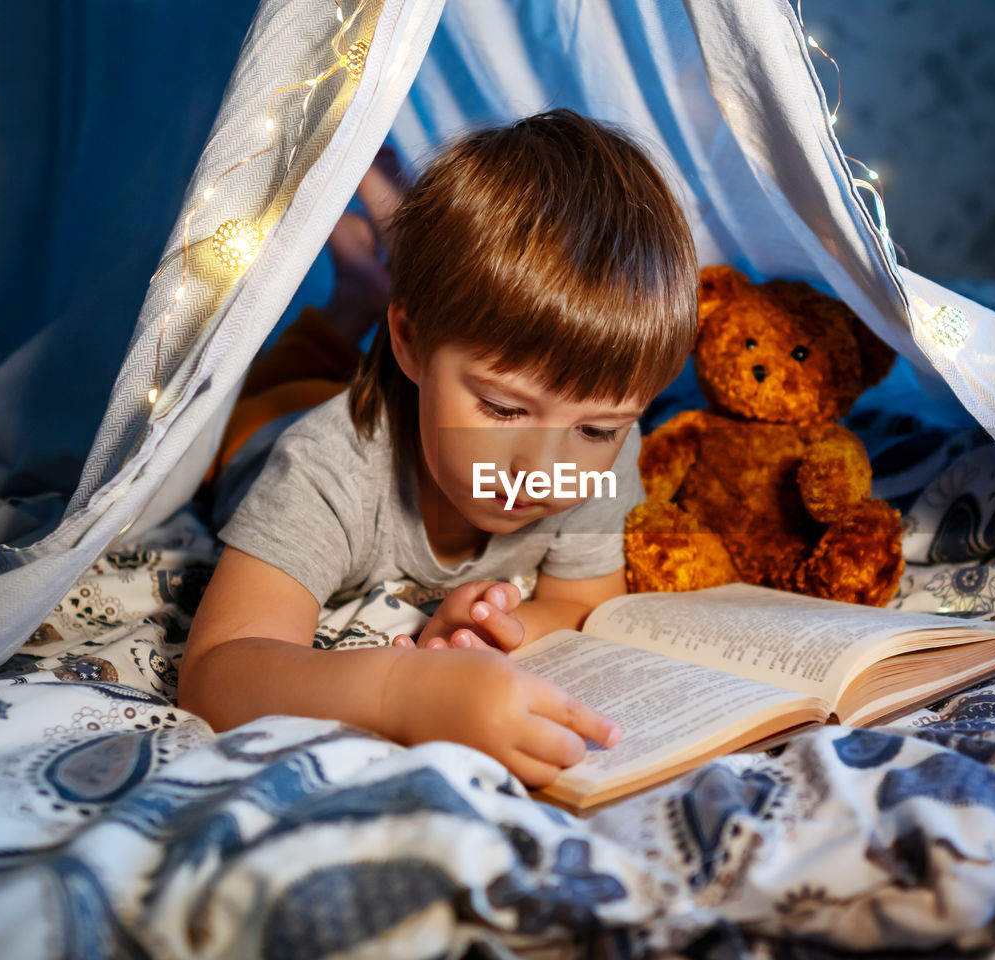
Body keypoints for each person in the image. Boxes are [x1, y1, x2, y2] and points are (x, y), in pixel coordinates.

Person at [179, 111, 699, 790]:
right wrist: (404, 690)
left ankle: (389, 261)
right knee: (281, 388)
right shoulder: (322, 467)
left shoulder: (603, 443)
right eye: (502, 408)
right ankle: (365, 289)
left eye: (597, 431)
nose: (544, 471)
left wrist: (500, 630)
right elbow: (217, 672)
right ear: (412, 343)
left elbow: (584, 602)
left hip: (404, 378)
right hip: (267, 427)